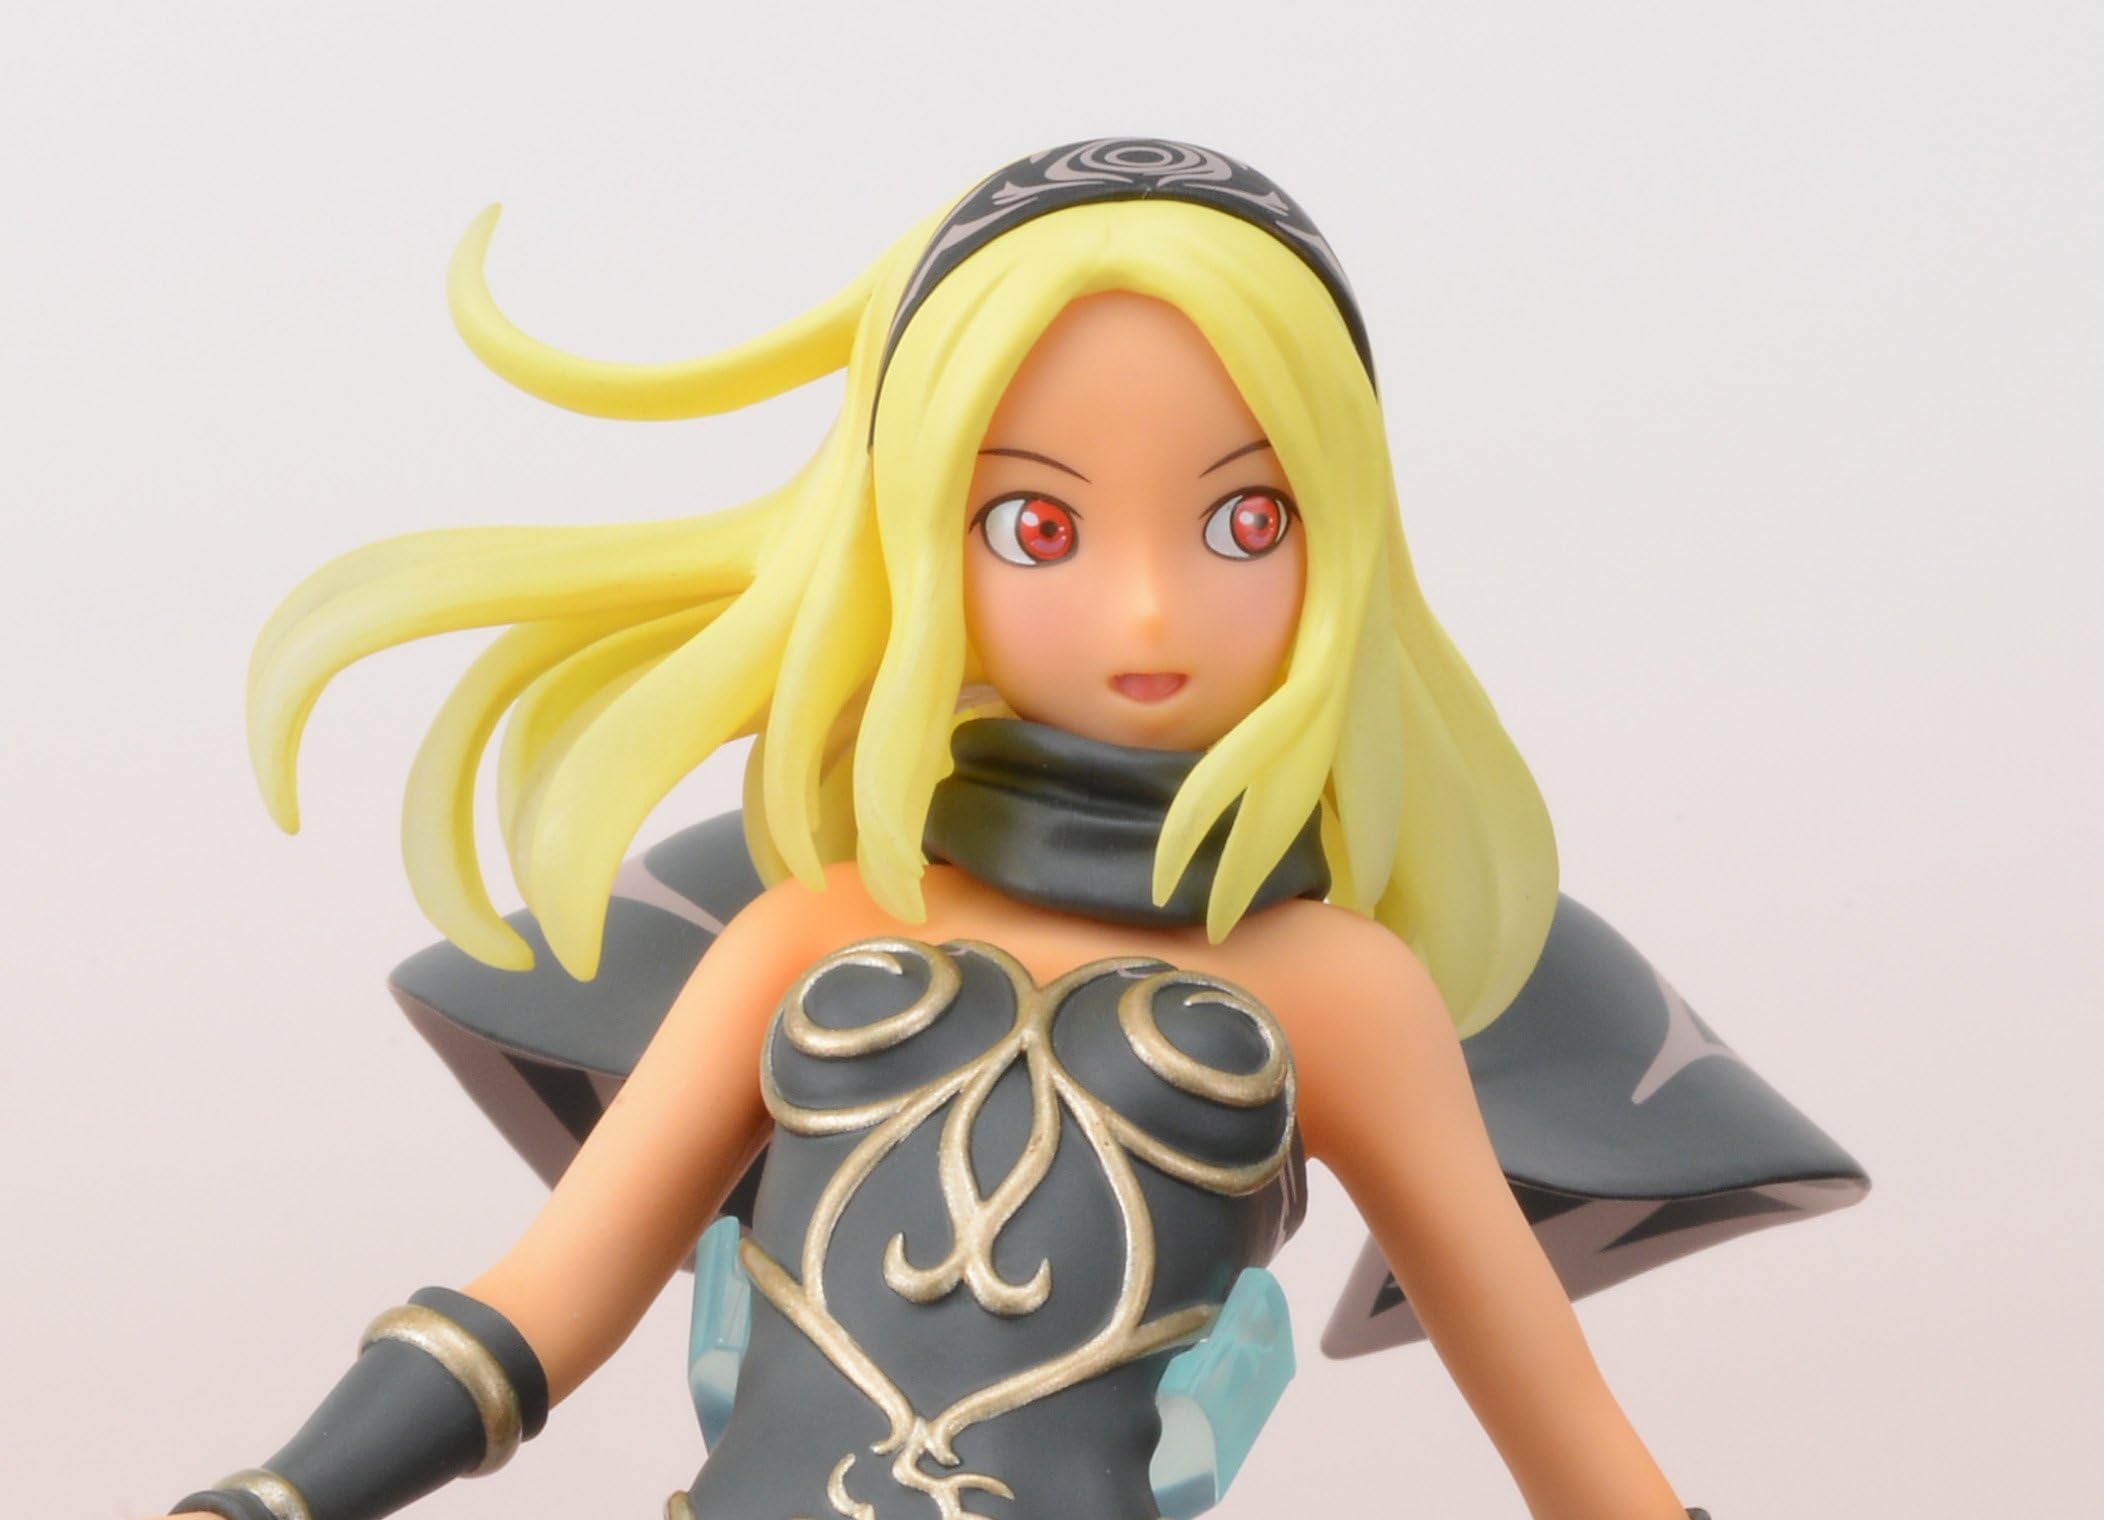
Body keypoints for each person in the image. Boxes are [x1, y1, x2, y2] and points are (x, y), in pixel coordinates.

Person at [156, 139, 1859, 1520]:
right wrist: (272, 1498)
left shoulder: (1337, 991)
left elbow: (1566, 1441)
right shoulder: (818, 928)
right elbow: (534, 1311)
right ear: (914, 532)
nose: (1149, 607)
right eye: (1039, 525)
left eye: (1245, 520)